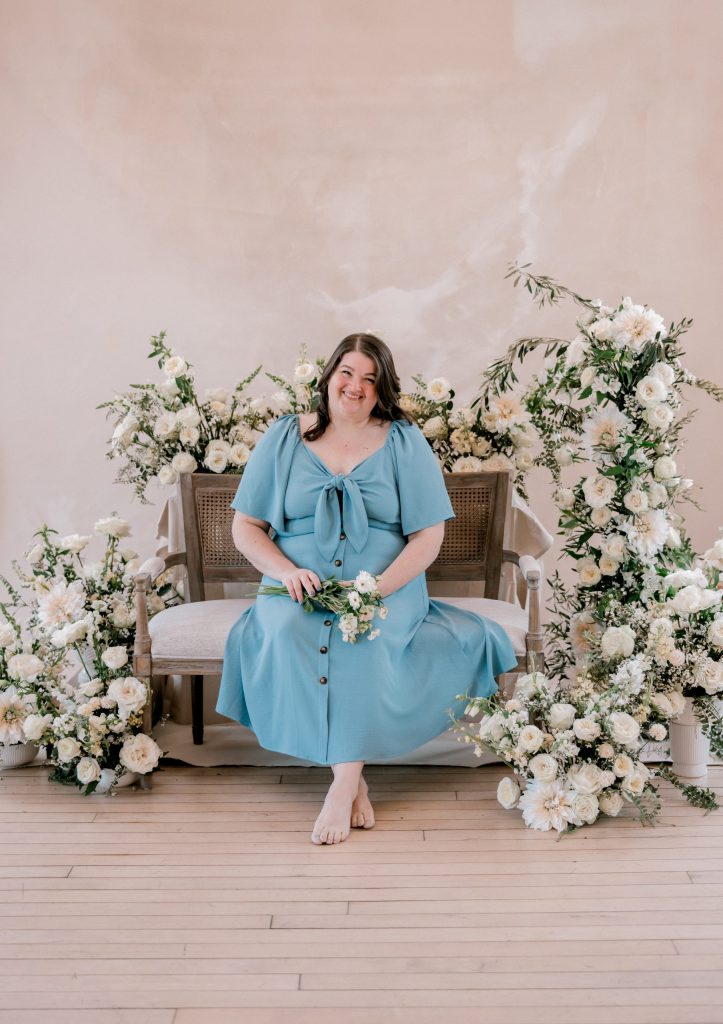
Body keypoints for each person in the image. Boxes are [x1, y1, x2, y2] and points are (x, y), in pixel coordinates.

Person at [216, 333, 517, 845]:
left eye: (370, 379)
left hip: (387, 587)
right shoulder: (285, 437)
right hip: (296, 586)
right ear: (329, 375)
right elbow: (246, 526)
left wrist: (378, 589)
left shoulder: (403, 440)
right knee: (288, 628)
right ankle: (352, 781)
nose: (356, 386)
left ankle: (341, 787)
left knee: (363, 633)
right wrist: (287, 571)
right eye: (348, 373)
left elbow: (429, 535)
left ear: (383, 390)